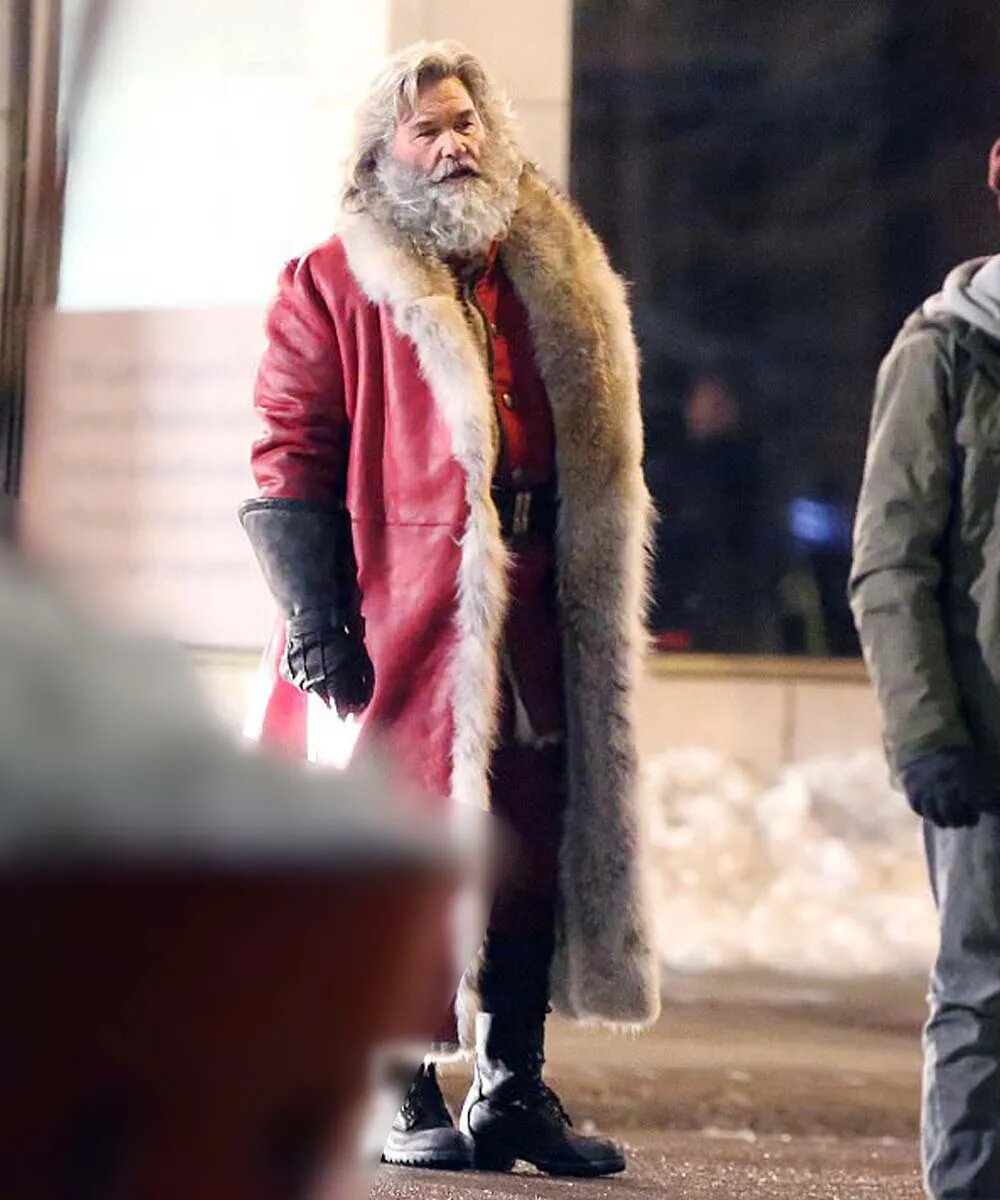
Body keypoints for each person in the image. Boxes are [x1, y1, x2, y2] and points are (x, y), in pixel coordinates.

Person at [238, 40, 659, 1178]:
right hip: (394, 606)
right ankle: (400, 1081)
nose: (454, 143)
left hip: (535, 598)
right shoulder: (332, 282)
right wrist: (317, 615)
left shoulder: (552, 273)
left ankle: (512, 1083)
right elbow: (288, 455)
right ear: (385, 151)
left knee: (528, 834)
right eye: (426, 128)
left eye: (465, 121)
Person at [850, 138, 1000, 1200]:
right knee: (984, 997)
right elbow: (889, 564)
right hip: (985, 744)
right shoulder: (945, 351)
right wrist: (929, 737)